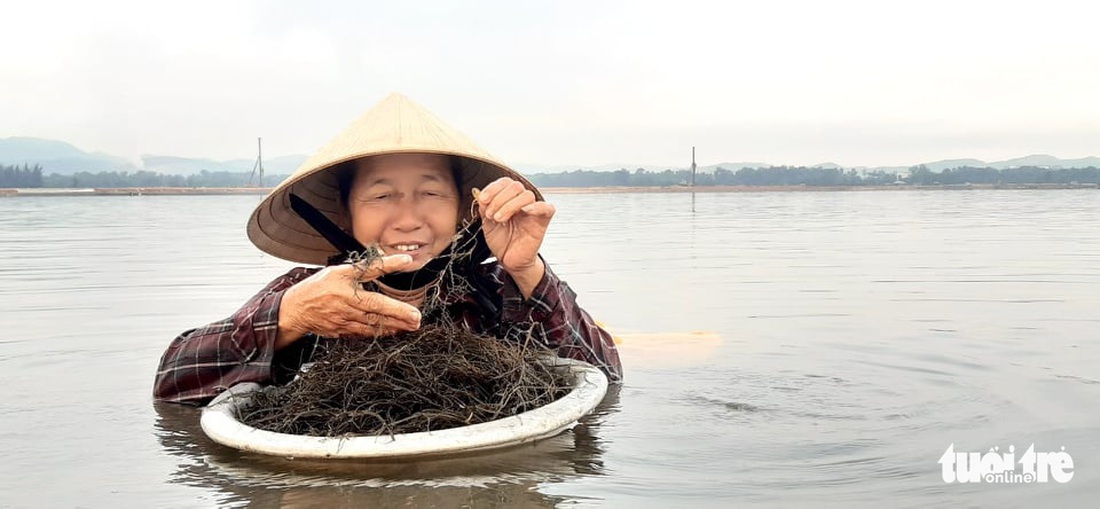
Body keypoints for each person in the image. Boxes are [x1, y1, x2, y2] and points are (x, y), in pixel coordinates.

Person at [154, 93, 622, 405]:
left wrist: (527, 270)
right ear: (346, 213)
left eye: (431, 193)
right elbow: (173, 383)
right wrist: (290, 318)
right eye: (381, 196)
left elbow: (604, 378)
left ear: (466, 207)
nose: (407, 218)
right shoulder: (305, 293)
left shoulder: (500, 289)